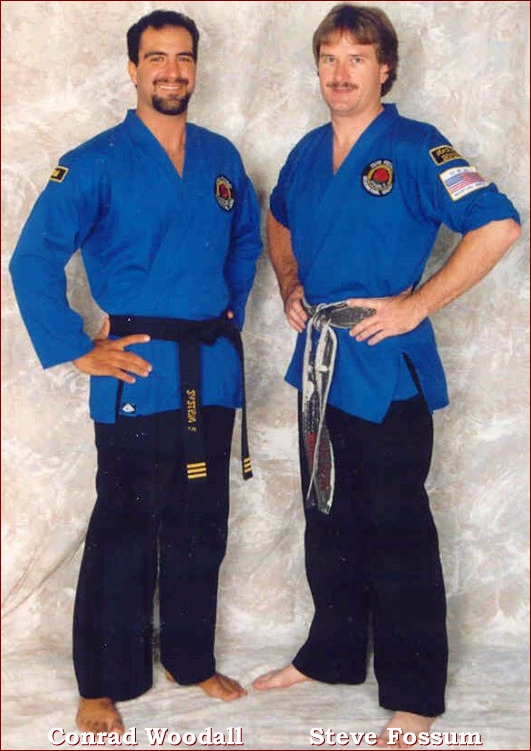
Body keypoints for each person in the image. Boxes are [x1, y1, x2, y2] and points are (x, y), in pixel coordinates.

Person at [252, 3, 520, 748]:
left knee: (396, 531)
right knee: (327, 517)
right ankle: (331, 656)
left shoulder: (415, 146)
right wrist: (289, 282)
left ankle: (413, 694)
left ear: (385, 69)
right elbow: (278, 216)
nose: (340, 74)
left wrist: (415, 304)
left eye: (357, 59)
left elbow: (498, 224)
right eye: (328, 59)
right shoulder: (308, 151)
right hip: (320, 365)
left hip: (385, 370)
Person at [9, 9, 262, 736]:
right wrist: (75, 346)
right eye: (156, 58)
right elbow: (31, 258)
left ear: (195, 68)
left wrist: (226, 309)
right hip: (137, 369)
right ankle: (102, 683)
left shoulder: (221, 157)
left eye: (183, 58)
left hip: (209, 368)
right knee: (125, 524)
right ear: (132, 68)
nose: (171, 72)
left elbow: (245, 239)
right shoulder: (93, 160)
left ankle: (189, 658)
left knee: (200, 521)